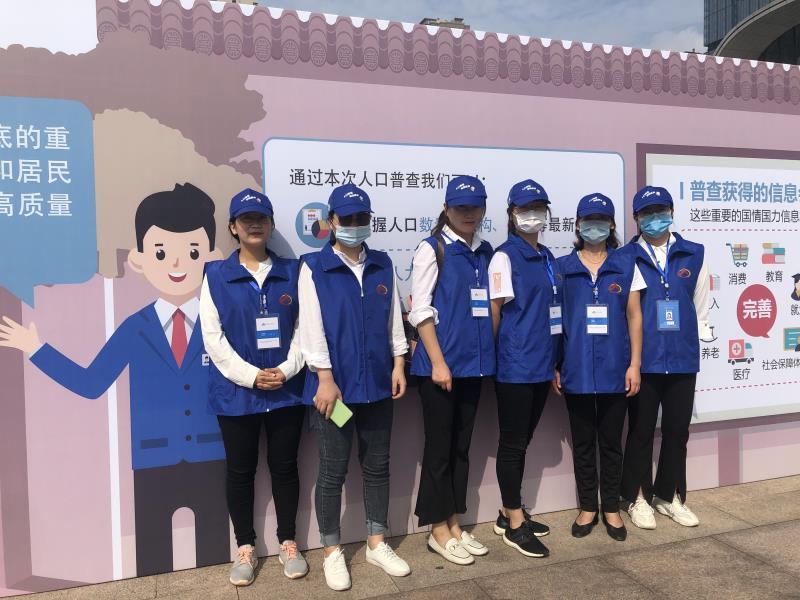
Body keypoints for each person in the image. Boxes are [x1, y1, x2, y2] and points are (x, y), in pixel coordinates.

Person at [0, 183, 228, 576]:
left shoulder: (218, 319)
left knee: (215, 551)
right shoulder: (135, 328)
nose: (177, 264)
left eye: (192, 252)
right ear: (139, 260)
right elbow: (91, 383)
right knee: (152, 562)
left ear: (210, 256)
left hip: (212, 452)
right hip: (152, 459)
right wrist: (37, 349)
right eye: (161, 253)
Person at [298, 183, 410, 591]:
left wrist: (399, 363)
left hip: (377, 386)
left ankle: (377, 542)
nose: (355, 224)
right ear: (331, 221)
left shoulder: (381, 264)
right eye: (347, 218)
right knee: (333, 469)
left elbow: (393, 319)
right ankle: (331, 550)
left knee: (377, 465)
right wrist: (325, 379)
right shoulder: (314, 267)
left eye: (362, 218)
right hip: (336, 393)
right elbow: (311, 329)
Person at [199, 188, 308, 586]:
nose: (255, 225)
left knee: (285, 467)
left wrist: (287, 368)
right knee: (240, 471)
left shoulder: (293, 272)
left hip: (286, 390)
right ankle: (245, 546)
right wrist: (250, 376)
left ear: (272, 224)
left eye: (262, 218)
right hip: (236, 393)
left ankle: (288, 542)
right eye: (247, 219)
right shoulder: (215, 275)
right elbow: (213, 338)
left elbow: (305, 328)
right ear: (233, 227)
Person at [409, 175, 495, 565]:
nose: (469, 214)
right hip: (440, 369)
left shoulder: (485, 251)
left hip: (473, 367)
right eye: (461, 208)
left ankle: (455, 522)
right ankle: (437, 529)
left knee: (461, 448)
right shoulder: (433, 249)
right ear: (446, 209)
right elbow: (420, 311)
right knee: (439, 450)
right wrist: (438, 362)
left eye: (475, 207)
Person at [553, 193, 644, 542]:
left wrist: (634, 364)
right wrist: (555, 364)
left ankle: (611, 508)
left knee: (610, 443)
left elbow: (634, 316)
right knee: (582, 444)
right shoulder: (562, 267)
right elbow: (555, 319)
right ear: (578, 225)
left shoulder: (626, 264)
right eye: (589, 220)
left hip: (614, 369)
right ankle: (588, 507)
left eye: (602, 220)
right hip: (574, 369)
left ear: (612, 225)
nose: (595, 226)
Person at [621, 186, 709, 529]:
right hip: (645, 360)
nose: (654, 218)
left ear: (672, 212)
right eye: (647, 213)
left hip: (683, 358)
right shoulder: (626, 256)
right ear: (636, 218)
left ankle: (669, 495)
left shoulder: (694, 253)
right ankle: (638, 497)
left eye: (660, 210)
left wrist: (691, 341)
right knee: (641, 431)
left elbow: (699, 306)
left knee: (676, 432)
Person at [488, 179, 556, 558]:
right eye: (525, 208)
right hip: (515, 366)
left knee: (523, 441)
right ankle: (515, 522)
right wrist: (493, 360)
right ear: (512, 214)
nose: (533, 215)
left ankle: (506, 511)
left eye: (539, 208)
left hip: (543, 364)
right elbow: (495, 312)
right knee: (512, 444)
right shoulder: (504, 257)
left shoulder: (547, 256)